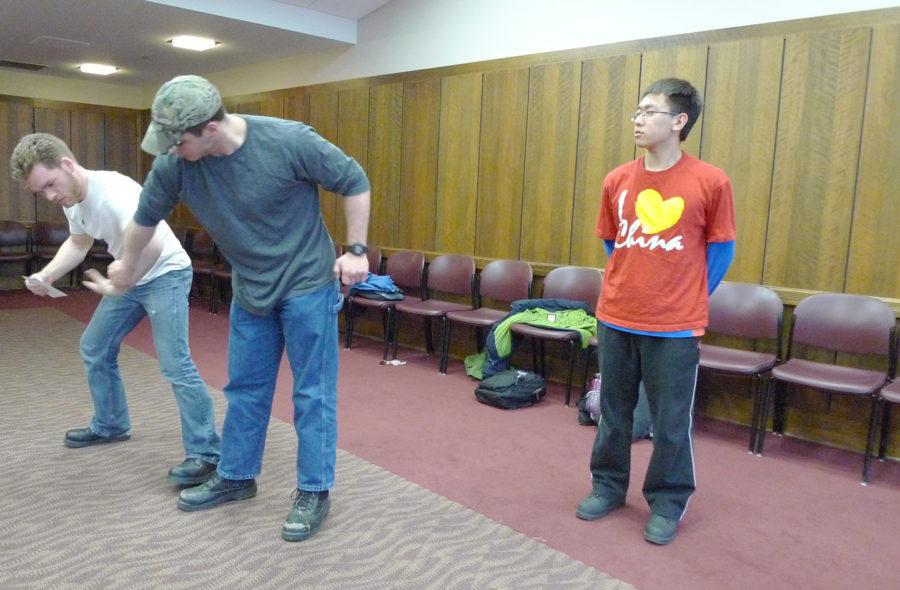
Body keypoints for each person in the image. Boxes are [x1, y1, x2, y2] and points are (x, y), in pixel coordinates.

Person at [96, 75, 371, 543]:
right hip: (251, 291)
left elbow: (353, 180)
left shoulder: (287, 140)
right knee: (244, 389)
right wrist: (125, 266)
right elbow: (145, 218)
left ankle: (313, 489)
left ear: (209, 128)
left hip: (307, 284)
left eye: (178, 140)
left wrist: (358, 250)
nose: (171, 150)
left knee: (311, 394)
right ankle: (237, 476)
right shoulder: (175, 164)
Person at [575, 78, 736, 545]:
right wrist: (633, 282)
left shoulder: (711, 181)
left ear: (679, 121)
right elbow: (612, 241)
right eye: (637, 112)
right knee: (613, 412)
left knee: (670, 422)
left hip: (676, 326)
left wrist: (687, 296)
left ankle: (666, 502)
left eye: (650, 112)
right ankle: (607, 487)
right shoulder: (617, 180)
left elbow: (721, 251)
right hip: (617, 316)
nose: (639, 120)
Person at [9, 133, 221, 486]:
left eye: (50, 185)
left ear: (67, 164)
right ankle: (111, 424)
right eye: (40, 192)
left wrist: (121, 283)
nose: (50, 196)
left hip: (165, 272)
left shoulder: (116, 193)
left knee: (175, 362)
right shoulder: (71, 199)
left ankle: (206, 454)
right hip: (130, 275)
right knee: (94, 346)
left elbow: (150, 245)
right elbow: (79, 242)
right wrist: (46, 274)